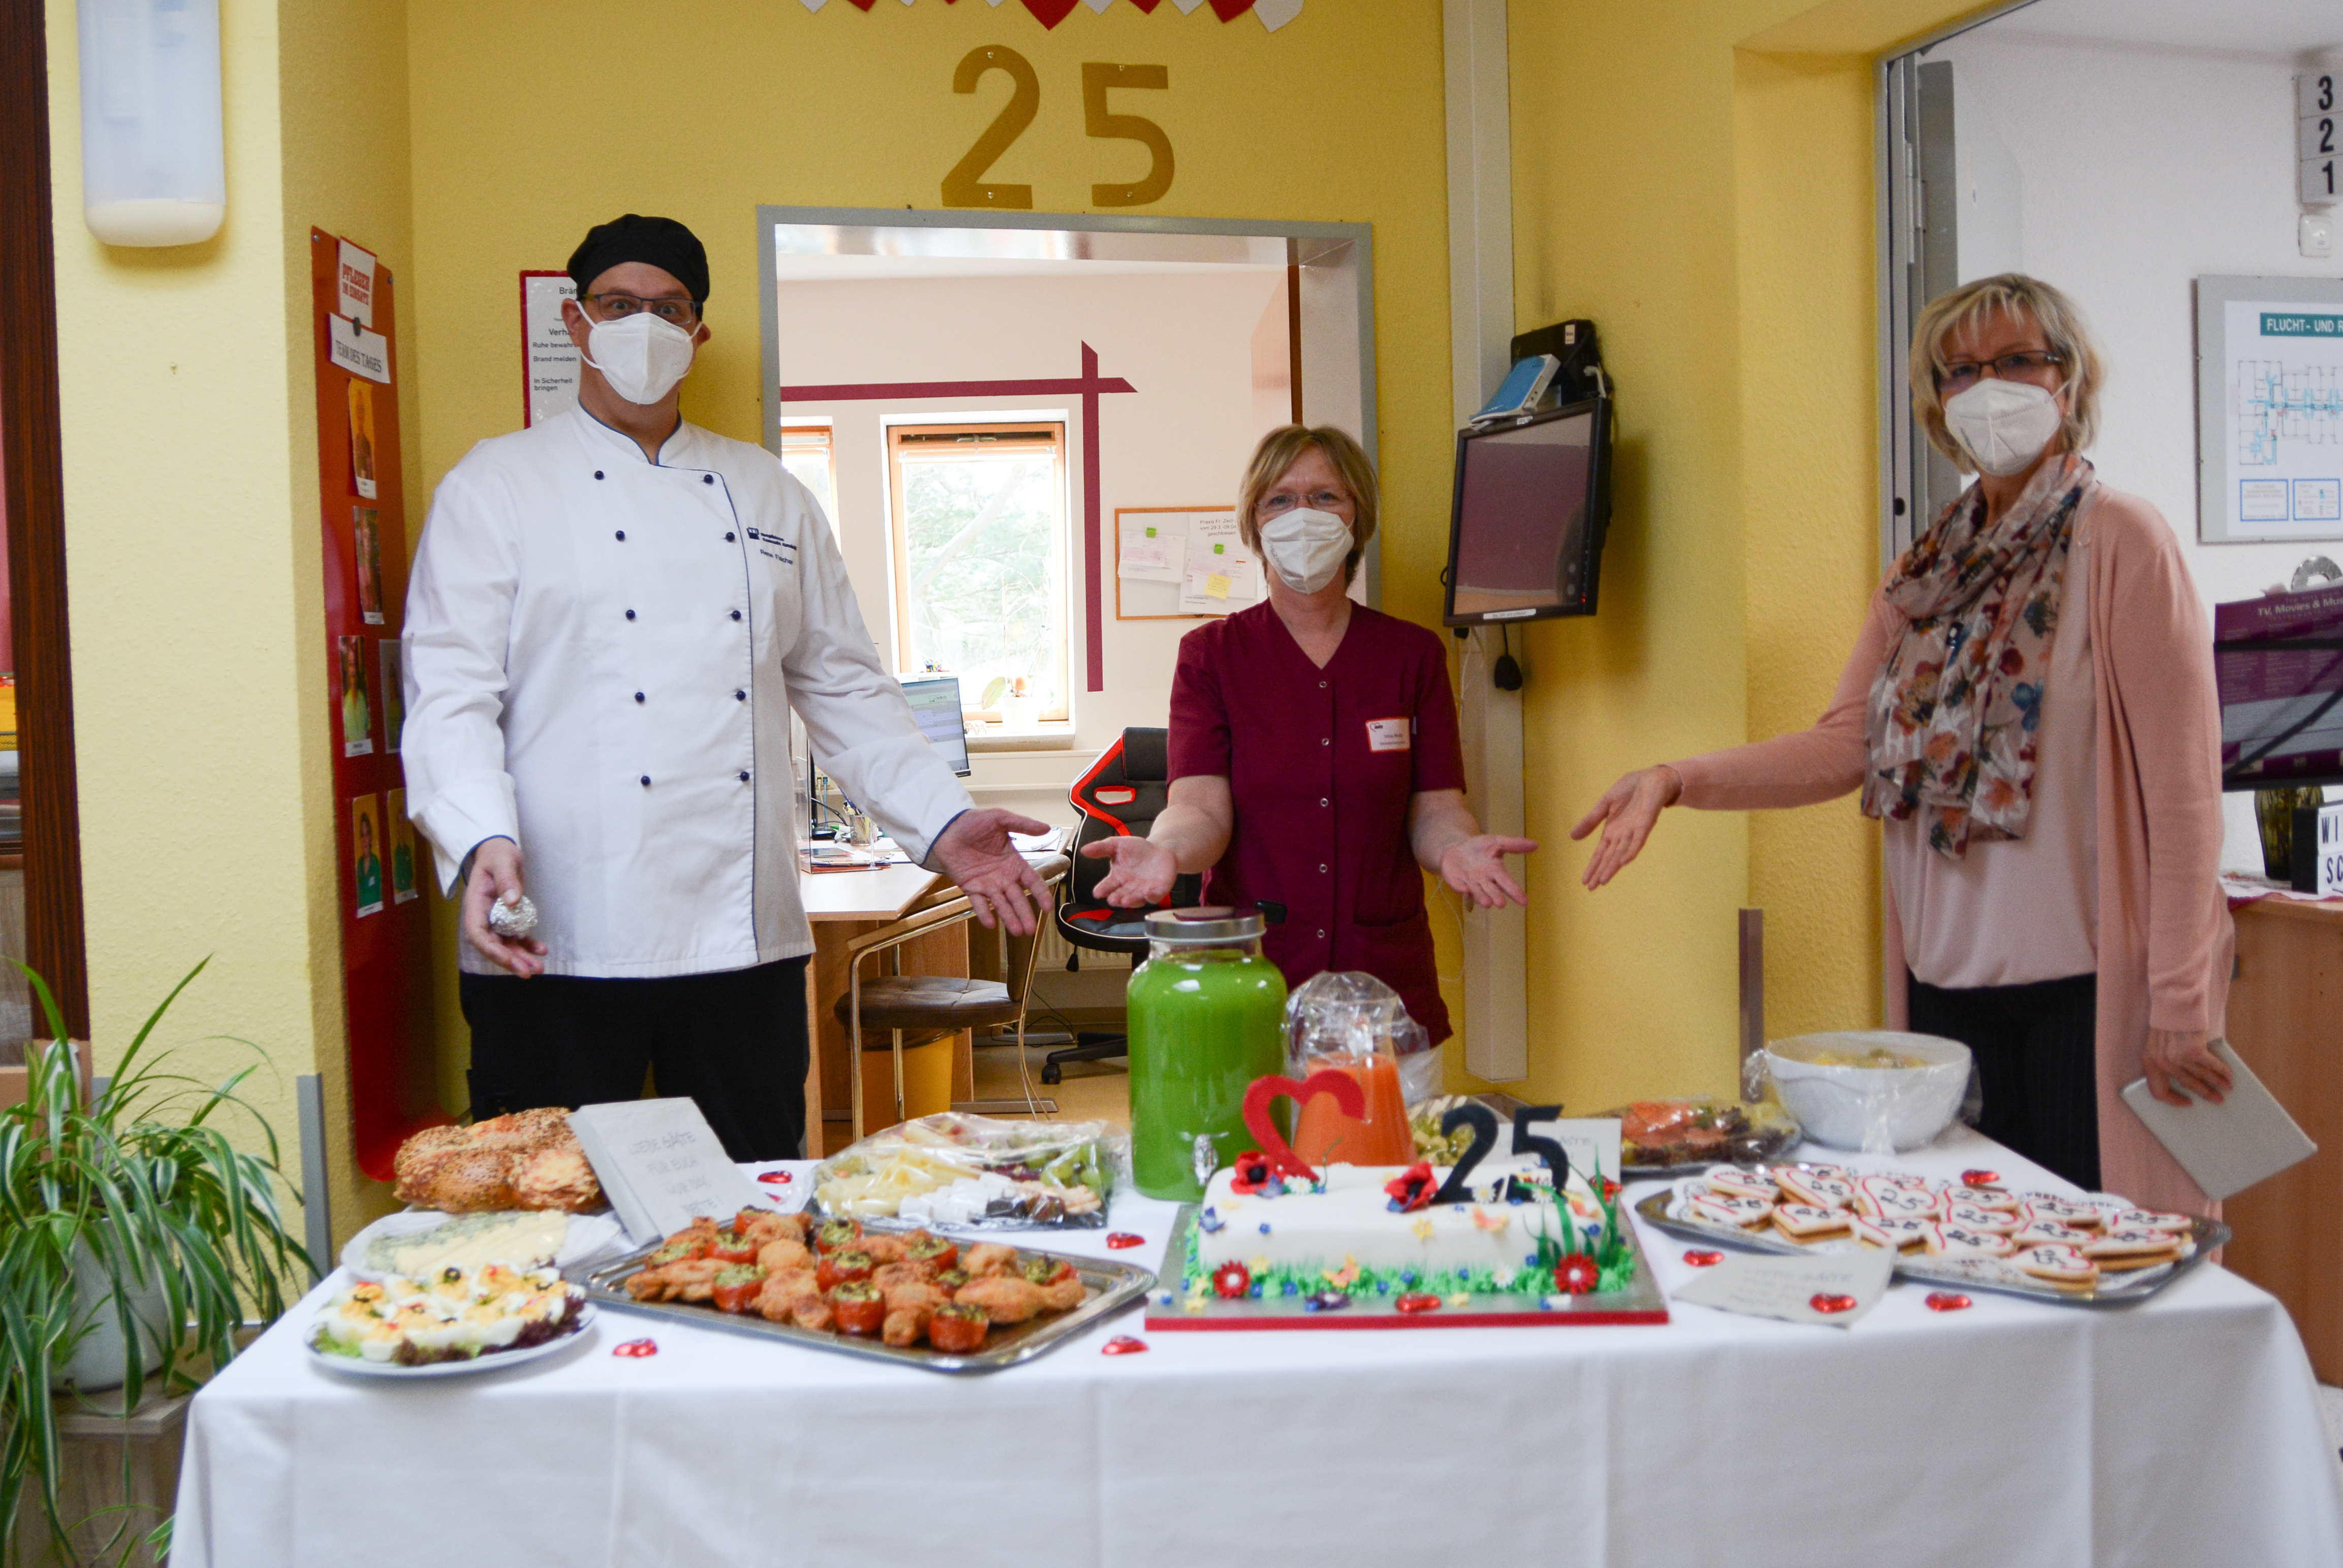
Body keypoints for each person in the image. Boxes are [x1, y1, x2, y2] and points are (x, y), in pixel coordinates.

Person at [1571, 274, 2232, 1213]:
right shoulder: (1925, 576)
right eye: (1958, 371)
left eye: (2014, 362)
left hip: (2085, 996)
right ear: (1936, 404)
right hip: (1945, 995)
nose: (1985, 388)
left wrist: (2179, 999)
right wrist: (1675, 778)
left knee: (2103, 1263)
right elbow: (1844, 744)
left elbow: (2183, 795)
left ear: (2070, 383)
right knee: (1972, 1248)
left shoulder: (2121, 541)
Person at [403, 213, 1053, 1160]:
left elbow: (843, 686)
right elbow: (450, 689)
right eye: (620, 305)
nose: (644, 325)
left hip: (737, 942)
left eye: (668, 308)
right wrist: (477, 835)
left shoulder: (767, 492)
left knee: (756, 1200)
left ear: (698, 335)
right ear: (576, 323)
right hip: (551, 935)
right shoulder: (495, 486)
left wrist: (943, 823)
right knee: (552, 1212)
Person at [1083, 423, 1536, 1093]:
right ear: (1253, 523)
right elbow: (1199, 807)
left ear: (1358, 519)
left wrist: (1457, 851)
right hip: (1254, 981)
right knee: (1255, 1185)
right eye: (1280, 499)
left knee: (1395, 1181)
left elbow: (1437, 809)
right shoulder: (1212, 656)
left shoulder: (1410, 656)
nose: (1304, 515)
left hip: (1384, 990)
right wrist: (1166, 850)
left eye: (1326, 496)